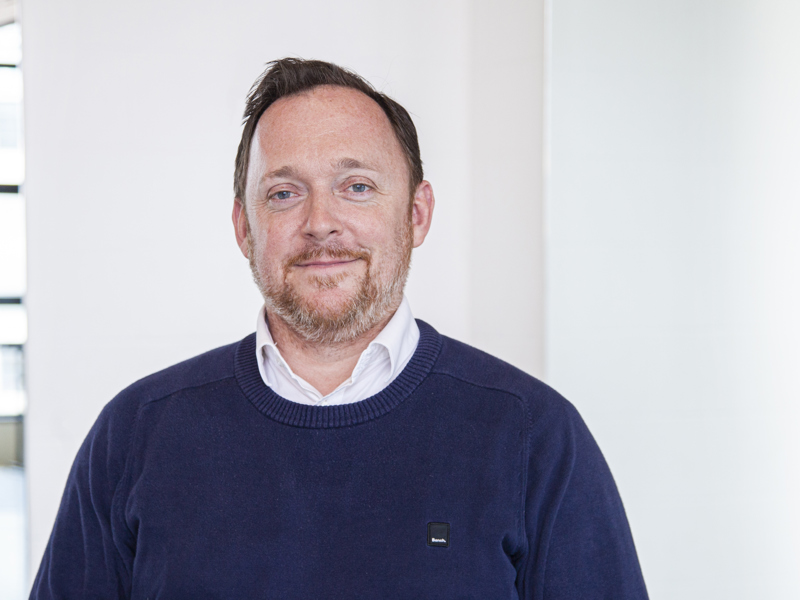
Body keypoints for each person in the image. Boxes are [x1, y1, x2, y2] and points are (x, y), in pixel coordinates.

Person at [30, 58, 649, 599]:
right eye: (283, 193)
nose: (321, 223)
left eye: (356, 187)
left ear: (416, 213)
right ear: (245, 229)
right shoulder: (135, 433)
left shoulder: (532, 436)